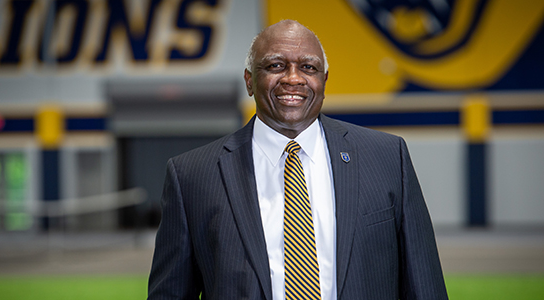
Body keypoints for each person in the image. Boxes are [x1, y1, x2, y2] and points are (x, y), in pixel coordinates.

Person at [148, 20, 448, 299]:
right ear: (250, 81)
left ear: (324, 80)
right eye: (276, 65)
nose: (293, 78)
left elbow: (424, 285)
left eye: (308, 67)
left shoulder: (386, 157)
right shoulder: (192, 176)